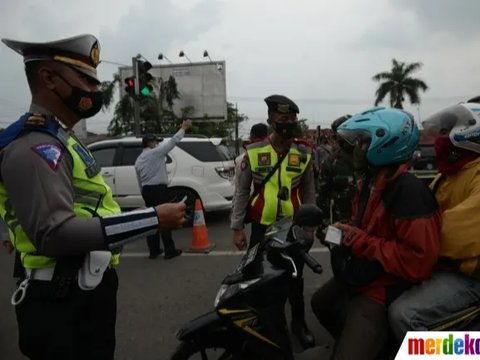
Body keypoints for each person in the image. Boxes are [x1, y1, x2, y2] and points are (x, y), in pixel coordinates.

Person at [0, 34, 186, 360]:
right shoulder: (34, 142)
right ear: (48, 78)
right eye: (85, 79)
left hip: (83, 289)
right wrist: (153, 218)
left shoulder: (60, 138)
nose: (95, 90)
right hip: (62, 299)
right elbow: (54, 233)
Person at [310, 107, 442, 360]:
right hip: (365, 273)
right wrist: (345, 230)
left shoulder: (408, 193)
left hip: (385, 285)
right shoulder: (371, 183)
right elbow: (369, 229)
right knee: (320, 303)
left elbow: (418, 262)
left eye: (363, 142)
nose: (357, 148)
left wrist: (359, 240)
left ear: (385, 144)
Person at [389, 102, 480, 343]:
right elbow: (420, 211)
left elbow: (451, 230)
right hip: (444, 267)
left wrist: (401, 235)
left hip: (468, 276)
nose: (439, 138)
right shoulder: (447, 175)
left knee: (404, 315)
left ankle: (466, 351)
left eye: (445, 131)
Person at [230, 94, 316, 349]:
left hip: (293, 230)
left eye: (291, 119)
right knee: (258, 278)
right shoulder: (254, 152)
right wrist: (237, 228)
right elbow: (242, 192)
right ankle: (263, 326)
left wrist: (310, 227)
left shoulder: (303, 153)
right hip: (261, 229)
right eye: (282, 119)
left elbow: (310, 193)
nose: (288, 124)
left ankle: (298, 325)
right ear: (270, 120)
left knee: (295, 279)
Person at [135, 121, 191, 260]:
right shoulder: (155, 153)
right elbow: (172, 142)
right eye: (155, 141)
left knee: (151, 219)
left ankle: (153, 250)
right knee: (164, 218)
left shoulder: (139, 159)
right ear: (149, 143)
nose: (158, 144)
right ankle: (169, 250)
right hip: (158, 190)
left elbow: (139, 181)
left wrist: (143, 192)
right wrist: (183, 128)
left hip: (147, 191)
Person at [316, 114, 355, 225]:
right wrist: (323, 222)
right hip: (342, 222)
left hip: (367, 223)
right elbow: (322, 195)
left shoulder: (368, 157)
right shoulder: (330, 162)